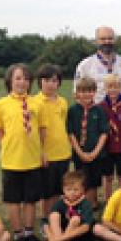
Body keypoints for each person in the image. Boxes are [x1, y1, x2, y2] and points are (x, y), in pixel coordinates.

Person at [0, 64, 46, 241]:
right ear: (10, 81)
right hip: (12, 161)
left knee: (31, 199)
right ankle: (18, 235)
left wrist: (42, 152)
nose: (22, 82)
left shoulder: (37, 103)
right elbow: (0, 130)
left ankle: (30, 233)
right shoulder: (0, 105)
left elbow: (41, 130)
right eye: (18, 78)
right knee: (14, 200)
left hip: (32, 160)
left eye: (25, 78)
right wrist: (7, 147)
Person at [33, 64, 72, 229]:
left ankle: (57, 216)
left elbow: (63, 125)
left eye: (54, 80)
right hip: (46, 154)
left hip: (63, 152)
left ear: (59, 83)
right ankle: (45, 218)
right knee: (47, 191)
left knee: (60, 189)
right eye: (46, 80)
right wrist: (41, 153)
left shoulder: (63, 102)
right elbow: (37, 132)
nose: (50, 84)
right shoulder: (35, 102)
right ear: (40, 82)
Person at [33, 171, 94, 241]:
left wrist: (58, 239)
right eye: (68, 190)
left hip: (77, 238)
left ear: (83, 189)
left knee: (75, 219)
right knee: (53, 216)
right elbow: (46, 224)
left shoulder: (86, 204)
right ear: (63, 190)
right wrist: (52, 239)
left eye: (76, 189)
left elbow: (86, 227)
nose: (72, 193)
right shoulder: (60, 202)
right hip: (59, 235)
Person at [67, 77, 109, 209]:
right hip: (79, 152)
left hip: (96, 153)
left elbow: (104, 133)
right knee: (82, 179)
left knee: (94, 179)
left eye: (90, 91)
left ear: (95, 92)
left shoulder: (99, 110)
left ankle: (92, 203)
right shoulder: (73, 110)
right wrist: (80, 152)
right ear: (78, 92)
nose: (87, 94)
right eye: (83, 91)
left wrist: (95, 152)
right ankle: (83, 204)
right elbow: (71, 133)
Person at [74, 26, 121, 103]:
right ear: (96, 41)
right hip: (96, 112)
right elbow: (77, 94)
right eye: (103, 39)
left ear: (114, 40)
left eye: (110, 38)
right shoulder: (85, 65)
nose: (107, 41)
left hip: (119, 112)